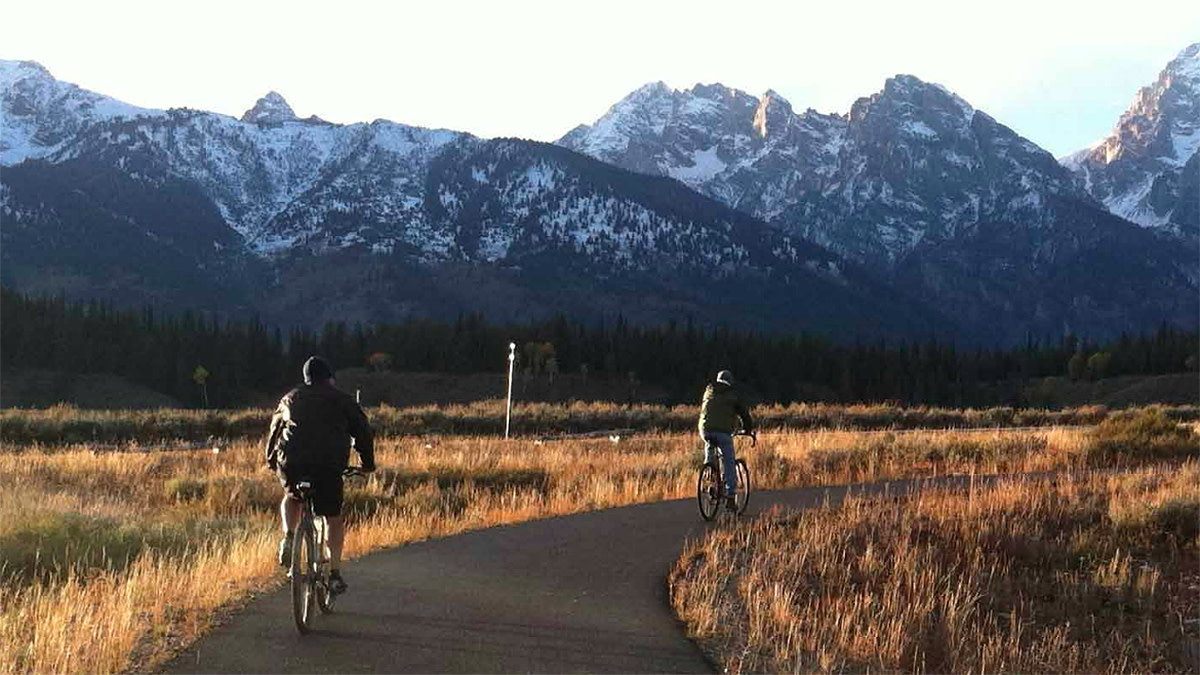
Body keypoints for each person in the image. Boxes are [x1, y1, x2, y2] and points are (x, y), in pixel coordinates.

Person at [265, 356, 375, 594]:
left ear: (306, 379)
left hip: (292, 463)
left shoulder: (289, 398)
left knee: (292, 495)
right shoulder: (342, 400)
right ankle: (334, 573)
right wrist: (367, 464)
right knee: (332, 517)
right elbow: (363, 433)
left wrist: (271, 460)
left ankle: (289, 535)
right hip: (327, 466)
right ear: (330, 379)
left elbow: (275, 430)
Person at [698, 370, 754, 504]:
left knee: (710, 445)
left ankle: (709, 474)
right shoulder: (732, 395)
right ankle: (730, 496)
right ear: (730, 382)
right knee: (729, 460)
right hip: (722, 432)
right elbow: (744, 415)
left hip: (704, 430)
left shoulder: (708, 391)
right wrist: (748, 429)